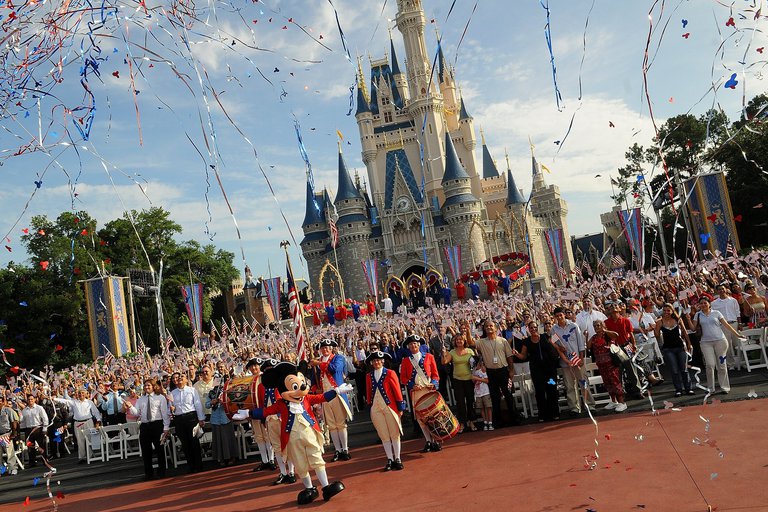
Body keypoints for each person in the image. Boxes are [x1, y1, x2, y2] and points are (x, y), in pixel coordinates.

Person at [309, 339, 351, 461]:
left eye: (327, 347)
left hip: (337, 394)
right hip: (325, 397)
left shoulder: (338, 358)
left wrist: (317, 363)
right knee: (331, 425)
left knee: (341, 424)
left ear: (332, 348)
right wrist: (315, 388)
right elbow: (313, 379)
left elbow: (334, 369)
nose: (325, 349)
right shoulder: (317, 362)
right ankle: (337, 450)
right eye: (323, 348)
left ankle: (345, 449)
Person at [691, 296, 743, 394]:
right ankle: (711, 388)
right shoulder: (697, 315)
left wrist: (737, 334)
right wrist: (687, 318)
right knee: (710, 365)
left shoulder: (717, 313)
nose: (703, 305)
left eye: (705, 303)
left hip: (721, 342)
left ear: (709, 304)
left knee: (722, 365)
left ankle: (724, 387)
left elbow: (726, 325)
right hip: (705, 343)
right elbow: (693, 328)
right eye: (701, 303)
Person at [399, 334, 442, 451]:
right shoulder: (406, 361)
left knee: (432, 415)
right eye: (411, 344)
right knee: (421, 417)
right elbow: (403, 378)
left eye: (415, 343)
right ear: (408, 346)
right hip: (416, 392)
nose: (413, 345)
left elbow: (435, 374)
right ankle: (428, 441)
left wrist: (434, 383)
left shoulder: (429, 357)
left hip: (428, 390)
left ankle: (436, 440)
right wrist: (412, 385)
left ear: (419, 345)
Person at [474, 319, 520, 427]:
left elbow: (509, 357)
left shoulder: (503, 341)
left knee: (508, 395)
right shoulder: (481, 342)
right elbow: (471, 343)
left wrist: (511, 370)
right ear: (484, 329)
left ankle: (514, 418)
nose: (489, 328)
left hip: (503, 371)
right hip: (491, 372)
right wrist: (467, 330)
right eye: (486, 326)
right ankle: (498, 421)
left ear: (495, 328)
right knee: (495, 397)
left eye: (491, 326)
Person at [365, 351, 405, 471]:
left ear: (383, 361)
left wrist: (400, 407)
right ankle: (389, 459)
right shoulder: (368, 376)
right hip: (376, 407)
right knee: (383, 434)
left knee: (394, 433)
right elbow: (368, 392)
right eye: (375, 360)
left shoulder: (390, 373)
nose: (377, 362)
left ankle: (397, 458)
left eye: (379, 360)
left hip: (390, 406)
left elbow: (397, 391)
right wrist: (369, 405)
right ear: (372, 363)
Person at [551, 307, 593, 415]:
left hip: (578, 360)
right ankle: (574, 408)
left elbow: (580, 343)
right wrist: (559, 348)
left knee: (583, 383)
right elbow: (555, 344)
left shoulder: (574, 326)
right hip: (565, 362)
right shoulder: (554, 329)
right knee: (570, 386)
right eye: (557, 316)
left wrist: (581, 358)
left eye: (561, 315)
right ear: (555, 317)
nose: (559, 317)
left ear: (564, 314)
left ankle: (589, 405)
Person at [127, 379, 170, 480]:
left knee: (160, 450)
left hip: (157, 425)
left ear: (154, 386)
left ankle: (161, 471)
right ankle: (148, 473)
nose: (146, 387)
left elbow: (164, 413)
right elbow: (136, 413)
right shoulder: (140, 399)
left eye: (148, 385)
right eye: (145, 386)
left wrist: (166, 427)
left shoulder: (160, 398)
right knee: (146, 451)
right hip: (145, 425)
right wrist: (130, 407)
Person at [522, 320, 562, 422]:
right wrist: (517, 354)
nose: (533, 329)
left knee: (552, 390)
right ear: (528, 329)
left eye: (535, 327)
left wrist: (561, 347)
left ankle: (554, 413)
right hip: (537, 372)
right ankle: (542, 415)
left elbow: (558, 344)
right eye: (531, 328)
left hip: (550, 371)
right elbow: (523, 356)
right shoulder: (526, 341)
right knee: (540, 392)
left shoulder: (546, 336)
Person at [604, 302, 643, 399]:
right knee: (618, 372)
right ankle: (621, 393)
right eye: (611, 306)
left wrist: (634, 345)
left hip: (626, 346)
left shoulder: (626, 320)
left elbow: (631, 334)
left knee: (631, 370)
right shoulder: (606, 323)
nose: (614, 307)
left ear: (619, 309)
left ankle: (638, 391)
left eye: (615, 305)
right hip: (615, 349)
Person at [586, 320, 627, 412]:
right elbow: (588, 347)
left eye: (598, 325)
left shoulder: (607, 335)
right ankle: (613, 401)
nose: (596, 327)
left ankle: (622, 402)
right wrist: (586, 337)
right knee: (607, 382)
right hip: (601, 364)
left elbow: (616, 335)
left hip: (611, 363)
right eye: (595, 326)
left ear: (602, 325)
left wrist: (604, 330)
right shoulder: (594, 337)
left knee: (615, 381)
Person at [654, 303, 694, 397]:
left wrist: (689, 343)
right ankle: (678, 389)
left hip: (680, 347)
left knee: (684, 369)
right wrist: (655, 328)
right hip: (668, 349)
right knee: (674, 370)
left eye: (668, 310)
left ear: (672, 311)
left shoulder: (678, 319)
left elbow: (684, 332)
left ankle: (688, 388)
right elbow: (657, 335)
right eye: (664, 311)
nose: (666, 312)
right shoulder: (660, 321)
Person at [54, 387, 101, 464]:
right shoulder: (74, 402)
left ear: (86, 394)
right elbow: (65, 401)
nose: (81, 394)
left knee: (89, 439)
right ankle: (82, 457)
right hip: (78, 423)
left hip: (88, 422)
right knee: (80, 440)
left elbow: (96, 412)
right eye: (79, 393)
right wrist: (54, 399)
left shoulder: (89, 402)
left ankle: (90, 456)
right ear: (77, 395)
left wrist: (98, 421)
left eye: (82, 393)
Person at [170, 373, 205, 473]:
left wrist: (201, 418)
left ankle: (198, 465)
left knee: (194, 442)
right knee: (185, 443)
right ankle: (191, 466)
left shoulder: (192, 390)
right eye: (178, 378)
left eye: (182, 377)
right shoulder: (172, 393)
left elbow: (197, 404)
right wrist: (171, 409)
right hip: (179, 419)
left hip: (191, 417)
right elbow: (171, 409)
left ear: (186, 380)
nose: (180, 379)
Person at [441, 332, 477, 432]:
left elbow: (475, 364)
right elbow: (444, 362)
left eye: (461, 339)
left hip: (469, 379)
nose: (459, 341)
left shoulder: (470, 351)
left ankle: (472, 421)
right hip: (457, 380)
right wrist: (443, 353)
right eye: (457, 340)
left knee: (470, 401)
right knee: (460, 402)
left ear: (464, 340)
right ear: (454, 342)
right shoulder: (452, 352)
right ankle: (462, 423)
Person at [205, 385, 238, 467]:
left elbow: (233, 402)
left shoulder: (228, 391)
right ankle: (221, 458)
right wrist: (212, 402)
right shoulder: (211, 393)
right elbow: (207, 405)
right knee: (218, 439)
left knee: (229, 438)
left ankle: (231, 457)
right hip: (215, 419)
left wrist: (224, 401)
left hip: (226, 417)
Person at [19, 394, 49, 467]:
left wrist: (45, 429)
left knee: (41, 445)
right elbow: (23, 421)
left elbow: (45, 419)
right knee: (30, 446)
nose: (30, 401)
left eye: (32, 399)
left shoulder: (39, 408)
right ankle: (32, 462)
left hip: (38, 428)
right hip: (28, 430)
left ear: (34, 399)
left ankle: (45, 460)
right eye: (29, 399)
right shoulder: (24, 410)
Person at [0, 395, 20, 475]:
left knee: (9, 452)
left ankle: (13, 468)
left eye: (0, 401)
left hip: (6, 434)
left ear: (3, 402)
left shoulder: (7, 410)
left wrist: (14, 433)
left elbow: (14, 422)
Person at [471, 360, 492, 430]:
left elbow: (487, 380)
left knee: (488, 407)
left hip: (485, 391)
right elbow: (473, 381)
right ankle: (485, 422)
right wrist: (474, 378)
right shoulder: (474, 371)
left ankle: (490, 422)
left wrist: (477, 378)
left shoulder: (483, 370)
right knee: (481, 408)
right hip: (478, 392)